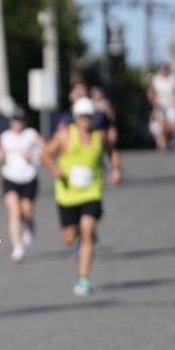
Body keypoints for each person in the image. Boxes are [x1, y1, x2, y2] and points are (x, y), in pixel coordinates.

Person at [41, 96, 123, 297]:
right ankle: (79, 239)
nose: (86, 119)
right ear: (75, 117)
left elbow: (112, 151)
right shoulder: (64, 135)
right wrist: (55, 168)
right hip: (67, 195)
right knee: (69, 239)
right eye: (82, 116)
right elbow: (46, 153)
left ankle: (83, 278)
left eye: (89, 116)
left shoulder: (99, 136)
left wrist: (117, 169)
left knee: (88, 230)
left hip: (91, 192)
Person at [0, 106, 44, 262]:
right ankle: (18, 248)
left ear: (24, 122)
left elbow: (46, 151)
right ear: (11, 122)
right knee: (14, 211)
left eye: (21, 120)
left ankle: (30, 227)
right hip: (10, 178)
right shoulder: (5, 136)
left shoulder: (31, 134)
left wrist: (33, 156)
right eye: (15, 120)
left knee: (26, 212)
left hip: (29, 178)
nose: (18, 123)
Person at [147, 62, 175, 150]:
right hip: (160, 106)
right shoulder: (156, 79)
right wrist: (153, 101)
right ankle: (162, 142)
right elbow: (150, 92)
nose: (165, 70)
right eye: (163, 68)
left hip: (171, 105)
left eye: (166, 68)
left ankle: (172, 141)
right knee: (159, 126)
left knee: (172, 125)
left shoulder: (173, 78)